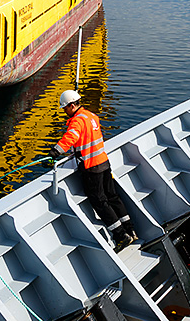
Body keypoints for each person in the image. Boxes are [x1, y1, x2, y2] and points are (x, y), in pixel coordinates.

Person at [50, 89, 137, 252]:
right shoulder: (91, 116)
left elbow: (71, 137)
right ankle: (130, 230)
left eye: (65, 108)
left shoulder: (77, 121)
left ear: (71, 105)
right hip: (104, 162)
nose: (64, 112)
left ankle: (120, 236)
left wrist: (57, 150)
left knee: (99, 201)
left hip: (92, 167)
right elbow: (87, 138)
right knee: (112, 196)